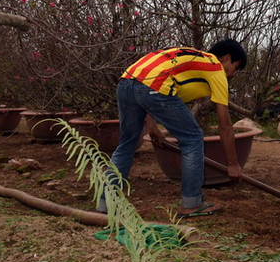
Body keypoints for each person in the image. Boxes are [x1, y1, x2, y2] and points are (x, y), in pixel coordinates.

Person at [98, 39, 247, 218]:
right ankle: (193, 203)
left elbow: (148, 87)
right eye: (235, 67)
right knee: (192, 138)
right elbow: (225, 125)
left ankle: (106, 202)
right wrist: (233, 164)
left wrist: (151, 124)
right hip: (152, 85)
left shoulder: (192, 61)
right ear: (226, 58)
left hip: (126, 81)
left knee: (127, 143)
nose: (233, 74)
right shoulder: (215, 67)